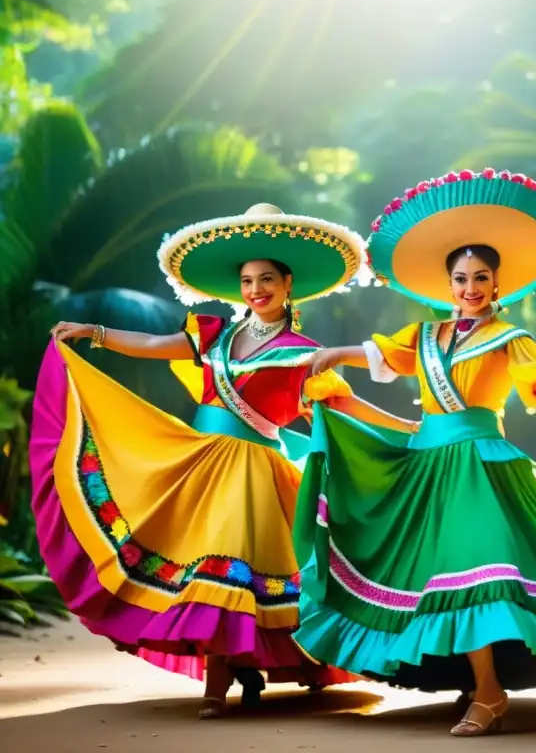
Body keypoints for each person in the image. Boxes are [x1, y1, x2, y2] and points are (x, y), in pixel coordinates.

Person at [31, 203, 418, 719]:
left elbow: (342, 403)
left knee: (234, 566)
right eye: (246, 280)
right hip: (198, 461)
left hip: (255, 472)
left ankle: (226, 682)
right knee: (199, 565)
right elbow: (154, 343)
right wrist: (94, 333)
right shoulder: (214, 334)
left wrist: (412, 428)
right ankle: (230, 675)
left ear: (287, 284)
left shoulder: (305, 351)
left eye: (266, 279)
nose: (255, 289)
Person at [297, 169, 536, 737]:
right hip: (426, 464)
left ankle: (488, 692)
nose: (470, 288)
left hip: (479, 465)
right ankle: (480, 682)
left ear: (496, 282)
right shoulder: (427, 336)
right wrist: (335, 354)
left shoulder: (511, 337)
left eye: (481, 278)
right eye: (460, 279)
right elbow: (385, 357)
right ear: (447, 283)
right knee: (436, 574)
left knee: (480, 567)